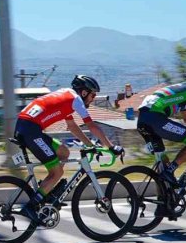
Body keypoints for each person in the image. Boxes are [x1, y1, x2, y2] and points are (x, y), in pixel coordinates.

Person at [15, 75, 123, 215]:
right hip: (31, 130)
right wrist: (111, 146)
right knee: (57, 172)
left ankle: (46, 191)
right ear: (84, 92)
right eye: (93, 95)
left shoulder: (66, 96)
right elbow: (92, 126)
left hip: (27, 127)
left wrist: (90, 145)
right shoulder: (76, 100)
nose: (94, 98)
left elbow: (72, 126)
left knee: (64, 152)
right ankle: (30, 207)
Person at [136, 65, 186, 189]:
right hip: (155, 117)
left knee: (163, 163)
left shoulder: (184, 94)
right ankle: (170, 171)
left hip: (142, 120)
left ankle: (164, 202)